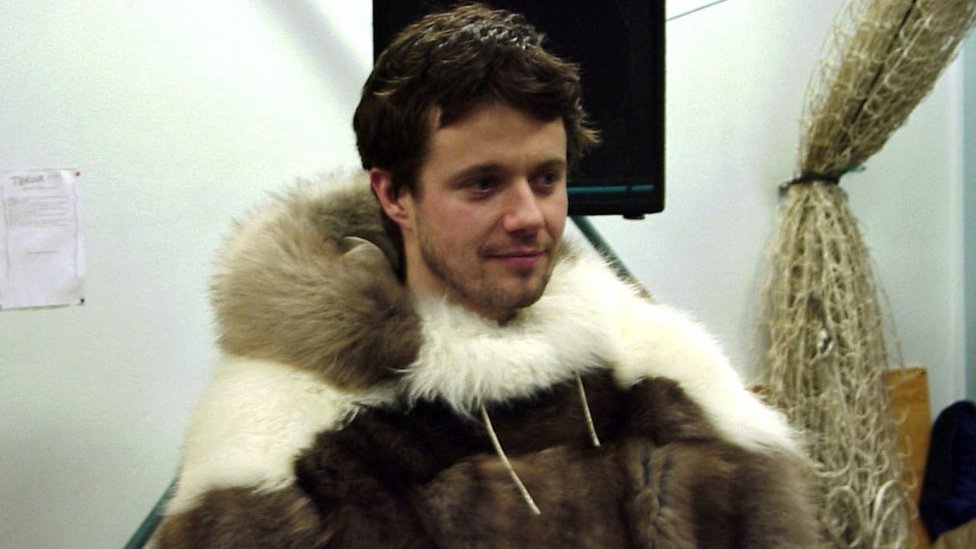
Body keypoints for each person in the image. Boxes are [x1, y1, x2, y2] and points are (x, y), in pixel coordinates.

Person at [157, 4, 819, 547]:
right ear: (394, 195)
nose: (529, 216)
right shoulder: (277, 445)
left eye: (546, 178)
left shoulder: (657, 376)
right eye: (482, 184)